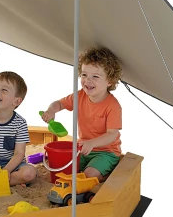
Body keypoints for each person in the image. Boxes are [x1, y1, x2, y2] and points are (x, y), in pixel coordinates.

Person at [41, 47, 123, 182]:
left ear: (110, 81)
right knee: (63, 168)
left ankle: (107, 174)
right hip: (83, 148)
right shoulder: (80, 96)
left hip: (106, 152)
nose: (87, 81)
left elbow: (112, 134)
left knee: (88, 174)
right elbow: (59, 104)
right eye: (84, 75)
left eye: (95, 77)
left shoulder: (113, 106)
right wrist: (51, 110)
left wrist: (92, 143)